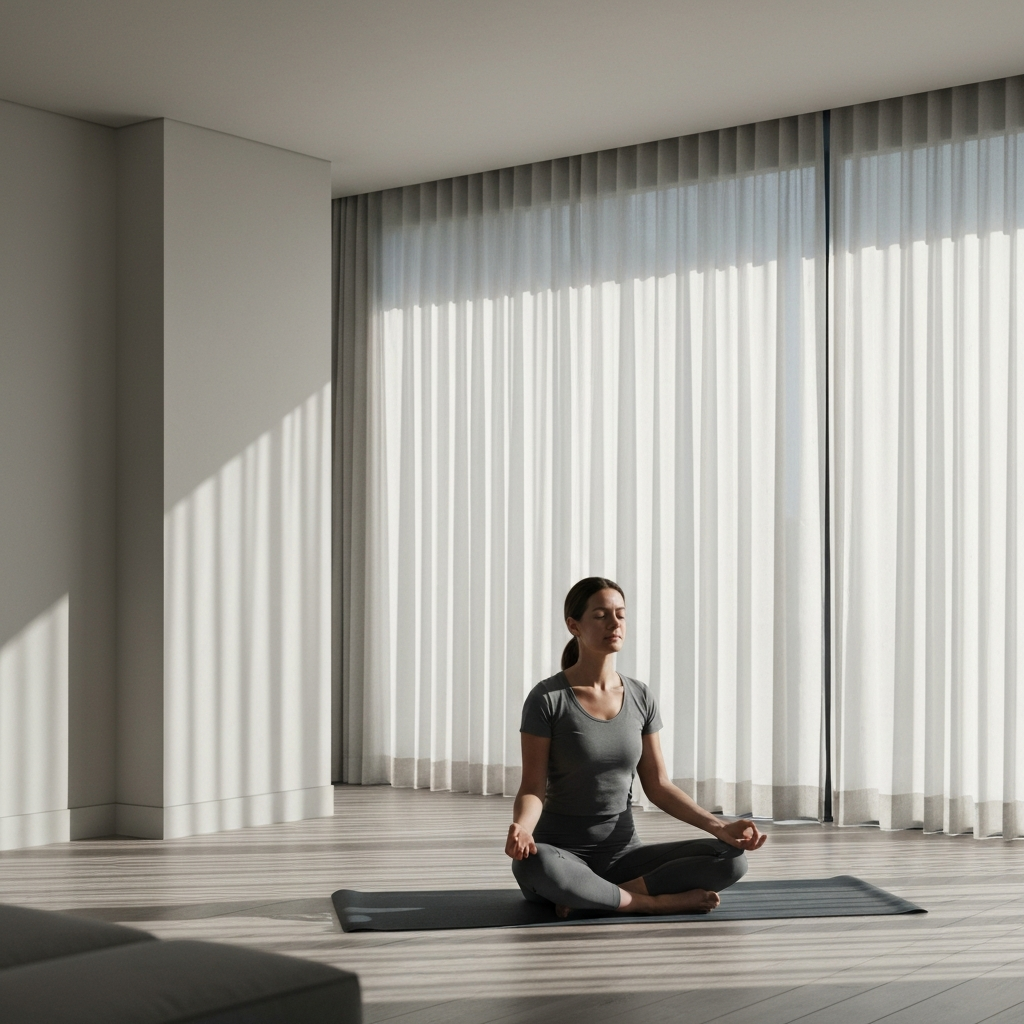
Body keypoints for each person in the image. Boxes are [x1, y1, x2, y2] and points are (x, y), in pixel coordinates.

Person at [507, 577, 766, 917]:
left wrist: (720, 828)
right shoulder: (547, 699)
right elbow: (532, 788)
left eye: (620, 615)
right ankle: (652, 902)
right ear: (574, 626)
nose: (614, 624)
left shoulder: (640, 696)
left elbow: (659, 786)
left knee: (731, 861)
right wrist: (523, 829)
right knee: (535, 866)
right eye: (601, 615)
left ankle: (600, 897)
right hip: (562, 856)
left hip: (624, 858)